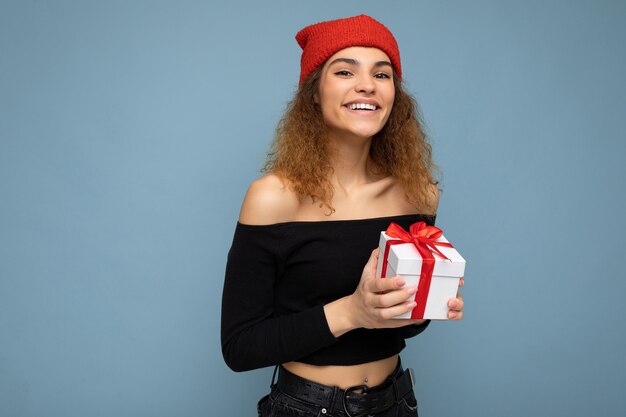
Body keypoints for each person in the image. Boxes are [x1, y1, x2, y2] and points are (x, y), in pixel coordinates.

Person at [221, 14, 465, 417]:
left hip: (395, 402)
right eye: (345, 70)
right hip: (304, 407)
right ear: (314, 92)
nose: (367, 84)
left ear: (394, 94)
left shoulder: (417, 192)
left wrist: (427, 301)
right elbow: (240, 347)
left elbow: (401, 328)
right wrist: (353, 311)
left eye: (381, 74)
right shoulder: (271, 198)